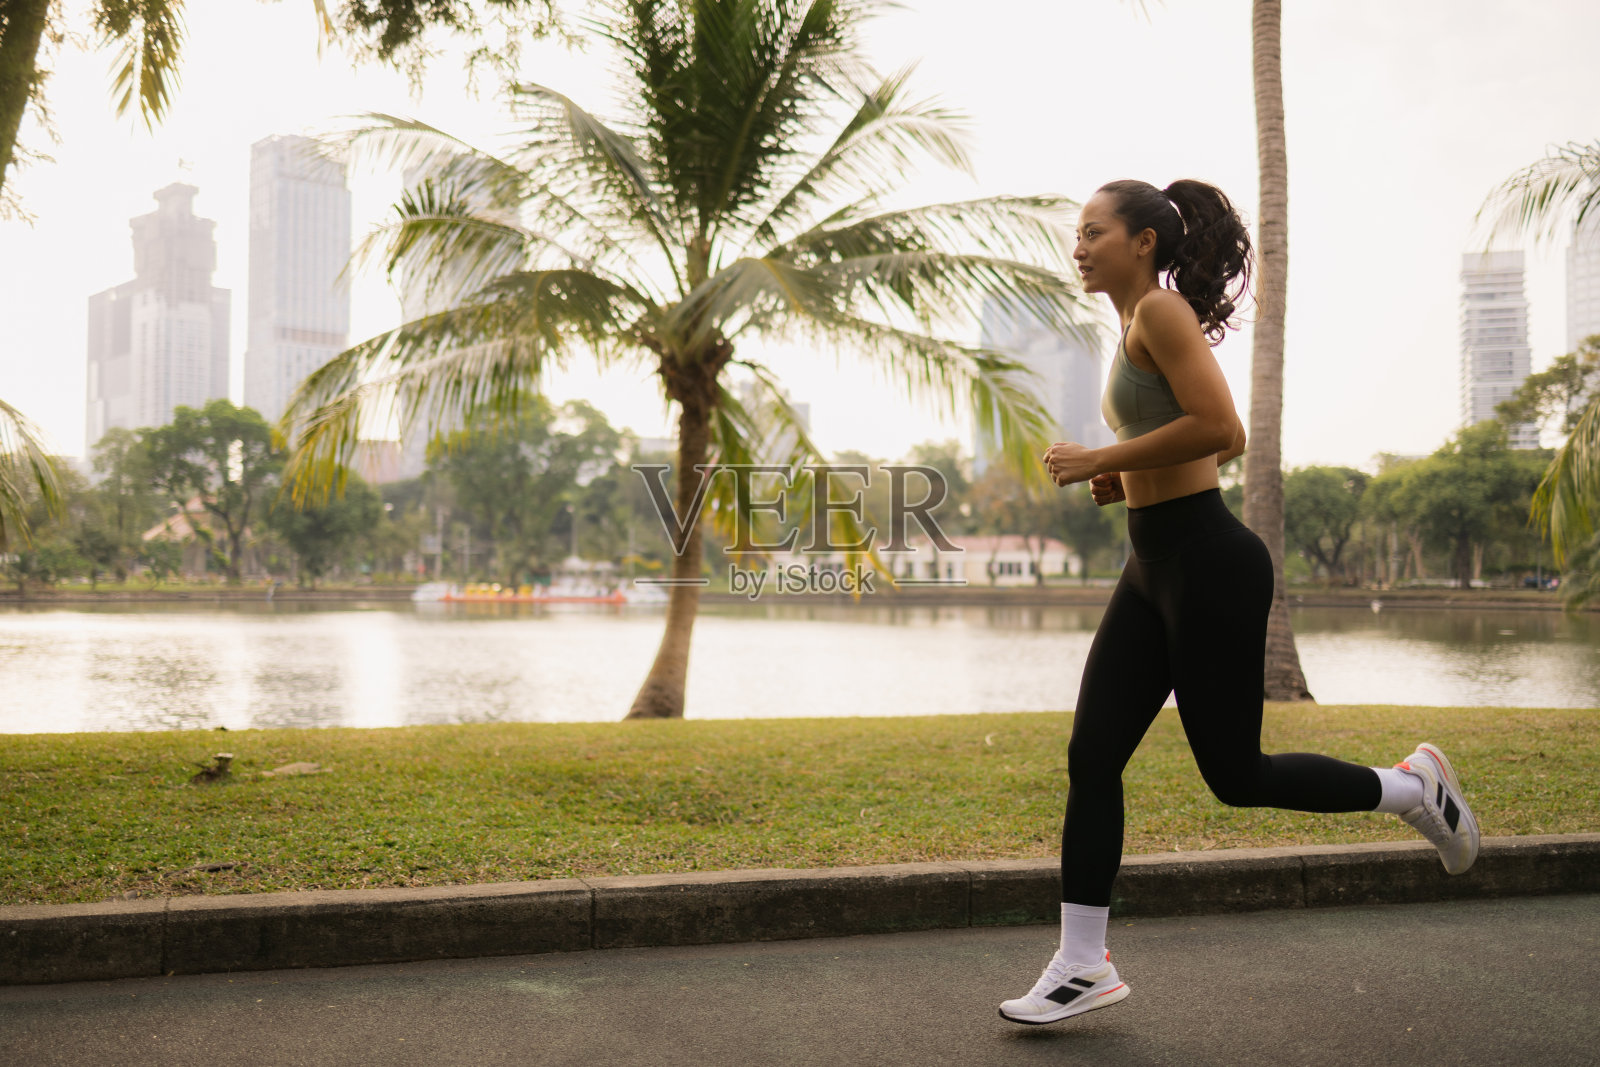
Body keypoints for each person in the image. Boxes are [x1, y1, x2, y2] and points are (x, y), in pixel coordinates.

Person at [997, 179, 1480, 1026]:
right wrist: (1127, 476)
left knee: (1237, 775)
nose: (1078, 245)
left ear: (1142, 241)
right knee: (1092, 753)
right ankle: (1081, 962)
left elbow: (1225, 428)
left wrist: (1100, 453)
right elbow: (1203, 433)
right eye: (1076, 234)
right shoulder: (1134, 323)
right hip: (1153, 564)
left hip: (1210, 563)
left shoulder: (1160, 311)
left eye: (1093, 231)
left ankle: (1413, 788)